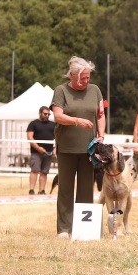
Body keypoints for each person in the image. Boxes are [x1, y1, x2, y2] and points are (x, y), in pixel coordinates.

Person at [51, 56, 106, 238]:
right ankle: (64, 229)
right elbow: (58, 116)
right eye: (83, 78)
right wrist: (76, 121)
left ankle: (83, 229)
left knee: (85, 190)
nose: (86, 81)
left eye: (88, 77)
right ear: (73, 76)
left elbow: (100, 115)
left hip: (89, 149)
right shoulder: (61, 91)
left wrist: (101, 136)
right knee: (65, 189)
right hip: (66, 148)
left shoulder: (95, 90)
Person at [26, 106, 55, 195]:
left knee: (44, 172)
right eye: (45, 114)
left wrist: (55, 148)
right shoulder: (33, 123)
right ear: (40, 113)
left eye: (48, 114)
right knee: (35, 170)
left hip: (49, 152)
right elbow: (30, 137)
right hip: (36, 152)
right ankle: (31, 190)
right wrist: (38, 148)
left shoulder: (53, 124)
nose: (47, 115)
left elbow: (58, 137)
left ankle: (41, 190)